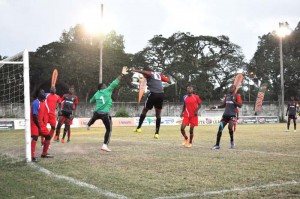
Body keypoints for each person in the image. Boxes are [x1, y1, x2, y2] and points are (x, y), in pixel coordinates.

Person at [86, 66, 128, 152]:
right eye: (105, 85)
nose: (106, 85)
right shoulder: (108, 90)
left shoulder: (96, 94)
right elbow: (116, 81)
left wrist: (96, 97)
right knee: (109, 129)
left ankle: (88, 125)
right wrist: (122, 74)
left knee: (94, 117)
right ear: (102, 87)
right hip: (104, 114)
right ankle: (104, 145)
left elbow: (90, 101)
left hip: (97, 113)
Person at [131, 66, 171, 139]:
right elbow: (169, 81)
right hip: (161, 94)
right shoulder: (158, 75)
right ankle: (157, 133)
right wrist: (168, 76)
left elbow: (144, 72)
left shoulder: (150, 73)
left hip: (153, 93)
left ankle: (139, 128)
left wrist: (135, 70)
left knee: (145, 110)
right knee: (158, 114)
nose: (144, 75)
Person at [210, 85, 242, 149]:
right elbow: (223, 105)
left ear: (235, 89)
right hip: (225, 116)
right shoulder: (227, 96)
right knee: (220, 129)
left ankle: (232, 141)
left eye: (232, 88)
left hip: (232, 115)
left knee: (230, 128)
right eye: (230, 88)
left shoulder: (237, 96)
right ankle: (217, 145)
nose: (230, 89)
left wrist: (233, 101)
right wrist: (216, 107)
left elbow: (240, 105)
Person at [30, 89, 54, 162]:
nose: (43, 93)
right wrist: (39, 127)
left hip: (40, 123)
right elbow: (35, 116)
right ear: (38, 95)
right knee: (35, 138)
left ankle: (44, 154)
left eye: (44, 92)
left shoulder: (43, 102)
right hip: (34, 123)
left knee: (48, 136)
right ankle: (31, 156)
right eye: (41, 92)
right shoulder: (36, 103)